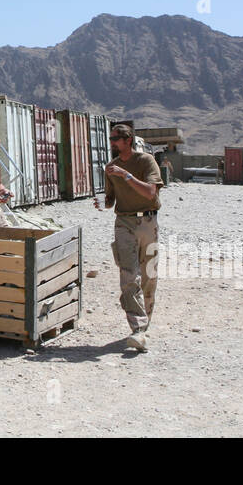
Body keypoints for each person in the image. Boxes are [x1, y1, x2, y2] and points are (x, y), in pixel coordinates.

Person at [104, 124, 163, 352]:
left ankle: (145, 323)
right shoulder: (111, 168)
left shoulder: (145, 161)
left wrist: (126, 176)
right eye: (111, 139)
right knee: (129, 276)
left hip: (148, 223)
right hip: (124, 224)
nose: (112, 144)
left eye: (116, 139)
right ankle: (138, 328)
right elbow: (111, 199)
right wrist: (104, 203)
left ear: (127, 140)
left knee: (149, 276)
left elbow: (150, 192)